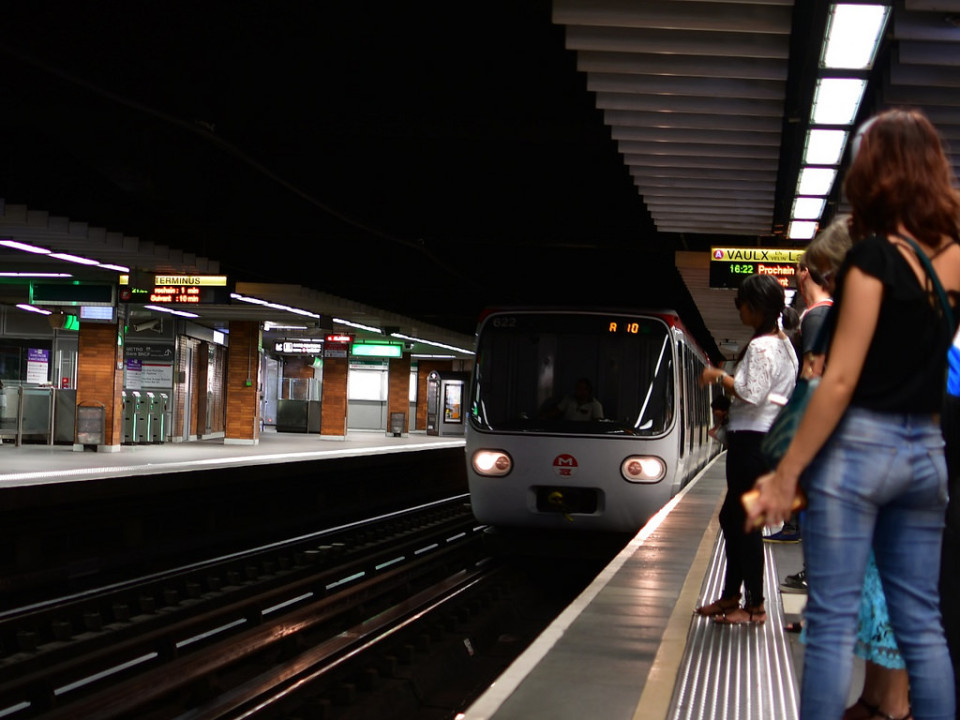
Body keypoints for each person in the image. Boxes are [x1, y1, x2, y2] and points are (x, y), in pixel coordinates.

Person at [746, 108, 960, 720]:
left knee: (834, 620)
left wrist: (787, 476)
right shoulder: (953, 257)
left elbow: (839, 381)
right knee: (923, 623)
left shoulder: (871, 260)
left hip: (864, 449)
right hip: (928, 452)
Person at [695, 273, 798, 624]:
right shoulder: (785, 345)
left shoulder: (760, 346)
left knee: (744, 522)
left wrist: (719, 377)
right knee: (733, 518)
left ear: (755, 307)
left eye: (741, 303)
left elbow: (751, 393)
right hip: (766, 441)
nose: (739, 309)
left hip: (750, 442)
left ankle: (754, 606)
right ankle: (730, 597)